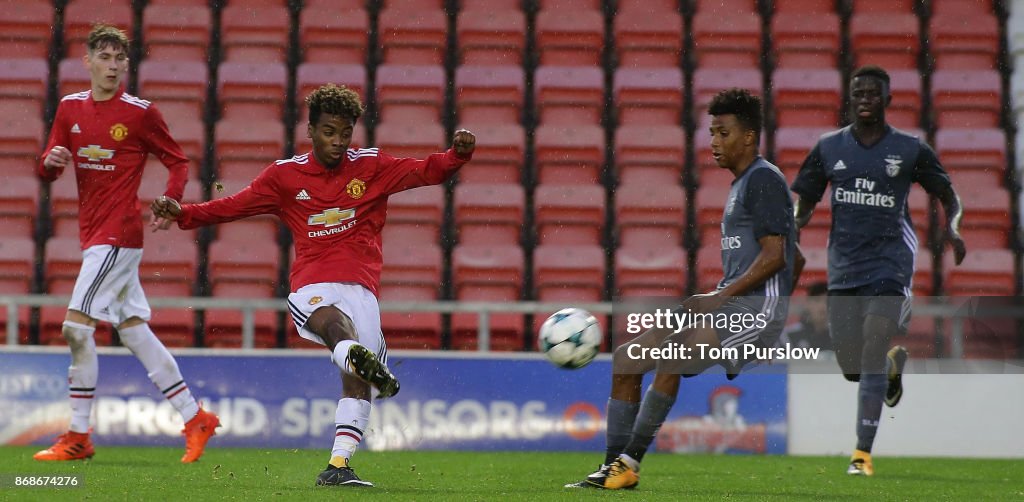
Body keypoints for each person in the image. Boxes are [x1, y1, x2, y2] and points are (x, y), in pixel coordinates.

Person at [150, 83, 475, 487]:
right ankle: (357, 355)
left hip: (362, 290)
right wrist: (184, 213)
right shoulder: (285, 176)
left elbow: (426, 170)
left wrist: (457, 155)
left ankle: (338, 466)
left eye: (344, 133)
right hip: (313, 284)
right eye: (328, 132)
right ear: (311, 129)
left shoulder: (372, 166)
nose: (337, 142)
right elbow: (232, 206)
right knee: (335, 327)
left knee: (355, 380)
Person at [567, 88, 801, 490]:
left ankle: (628, 463)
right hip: (730, 304)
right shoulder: (743, 183)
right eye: (711, 132)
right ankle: (611, 469)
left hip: (750, 309)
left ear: (748, 137)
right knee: (627, 358)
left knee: (671, 355)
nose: (714, 141)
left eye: (723, 132)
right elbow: (799, 257)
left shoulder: (764, 180)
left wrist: (767, 324)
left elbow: (778, 256)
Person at [33, 24, 219, 463]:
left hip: (118, 235)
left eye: (120, 58)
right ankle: (195, 417)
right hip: (92, 233)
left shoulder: (140, 113)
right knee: (134, 331)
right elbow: (48, 165)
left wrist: (170, 199)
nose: (113, 65)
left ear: (127, 65)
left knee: (76, 328)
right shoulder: (68, 108)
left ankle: (78, 436)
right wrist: (50, 162)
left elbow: (177, 161)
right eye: (105, 57)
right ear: (89, 62)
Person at [790, 65, 967, 476]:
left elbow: (947, 193)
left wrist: (953, 230)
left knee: (871, 341)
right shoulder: (829, 147)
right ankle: (890, 367)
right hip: (844, 265)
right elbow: (805, 199)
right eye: (858, 94)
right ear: (850, 99)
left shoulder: (909, 149)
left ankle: (861, 455)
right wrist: (789, 226)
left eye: (873, 93)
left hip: (890, 260)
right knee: (852, 364)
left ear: (887, 100)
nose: (865, 99)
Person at [777, 281, 832, 352]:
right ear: (807, 303)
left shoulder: (839, 337)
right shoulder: (789, 336)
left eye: (827, 301)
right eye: (817, 300)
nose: (822, 307)